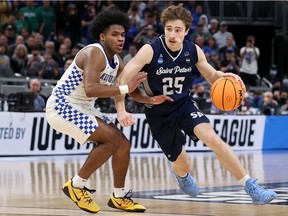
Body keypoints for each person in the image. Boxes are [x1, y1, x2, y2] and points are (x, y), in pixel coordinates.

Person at [115, 4, 277, 206]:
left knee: (213, 139)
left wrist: (228, 77)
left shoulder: (193, 51)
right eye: (169, 29)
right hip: (158, 112)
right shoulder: (150, 50)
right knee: (184, 164)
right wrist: (121, 110)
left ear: (186, 31)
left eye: (177, 30)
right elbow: (122, 79)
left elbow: (212, 76)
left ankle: (252, 187)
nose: (172, 34)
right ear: (164, 28)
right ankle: (180, 174)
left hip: (184, 105)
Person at [45, 9, 146, 214]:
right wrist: (126, 89)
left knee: (123, 144)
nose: (120, 38)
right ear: (102, 35)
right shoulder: (94, 52)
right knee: (111, 140)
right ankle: (76, 185)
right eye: (115, 34)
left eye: (123, 35)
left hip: (84, 107)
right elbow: (92, 88)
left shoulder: (116, 61)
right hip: (63, 105)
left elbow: (130, 88)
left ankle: (119, 196)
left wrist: (153, 100)